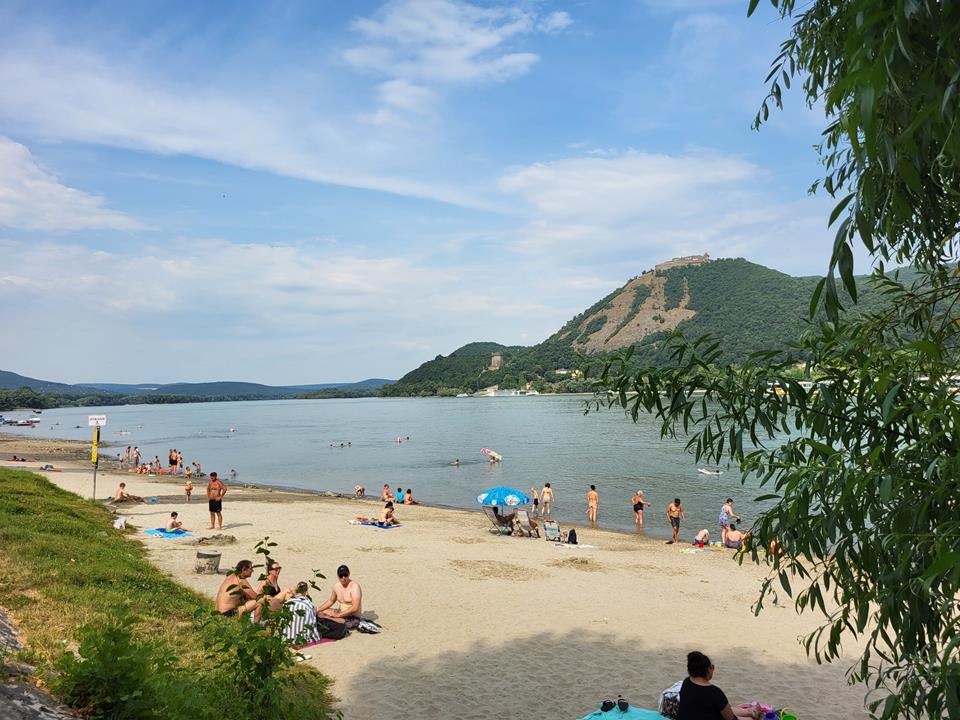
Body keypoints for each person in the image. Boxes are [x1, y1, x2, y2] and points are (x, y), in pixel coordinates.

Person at [678, 650, 761, 720]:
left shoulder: (686, 682)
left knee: (724, 709)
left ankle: (750, 711)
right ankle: (753, 714)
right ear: (708, 669)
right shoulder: (714, 692)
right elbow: (730, 718)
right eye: (712, 667)